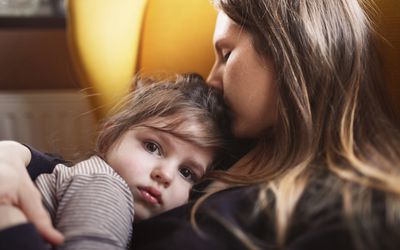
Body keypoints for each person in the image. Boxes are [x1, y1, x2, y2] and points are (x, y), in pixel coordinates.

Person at [1, 0, 400, 249]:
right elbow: (90, 174)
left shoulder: (354, 210)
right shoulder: (237, 143)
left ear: (289, 51)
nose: (212, 79)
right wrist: (13, 155)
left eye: (225, 54)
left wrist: (13, 229)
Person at [0, 73, 232, 249]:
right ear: (109, 137)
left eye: (187, 173)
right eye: (153, 147)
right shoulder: (106, 186)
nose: (165, 174)